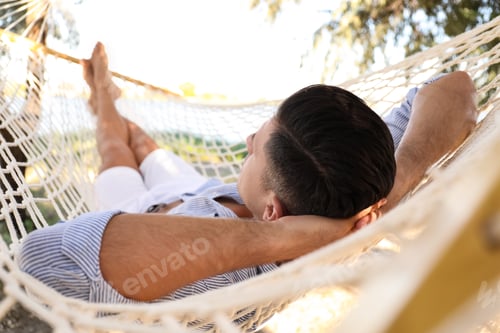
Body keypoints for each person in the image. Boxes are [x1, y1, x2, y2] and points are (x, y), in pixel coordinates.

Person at [17, 42, 477, 307]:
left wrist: (288, 239)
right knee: (145, 144)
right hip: (201, 194)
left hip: (129, 219)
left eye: (256, 146)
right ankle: (116, 104)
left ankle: (102, 96)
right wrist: (397, 183)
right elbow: (454, 88)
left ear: (274, 213)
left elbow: (38, 261)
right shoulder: (360, 186)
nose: (247, 143)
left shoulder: (229, 283)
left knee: (113, 145)